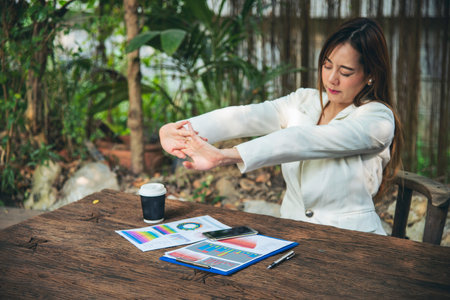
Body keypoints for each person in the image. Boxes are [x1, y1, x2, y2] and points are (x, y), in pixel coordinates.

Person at [159, 17, 402, 235]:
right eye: (327, 65)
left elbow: (305, 140)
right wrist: (180, 130)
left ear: (370, 74)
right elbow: (246, 116)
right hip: (293, 234)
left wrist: (225, 156)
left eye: (346, 72)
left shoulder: (378, 119)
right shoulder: (304, 100)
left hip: (352, 241)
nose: (331, 79)